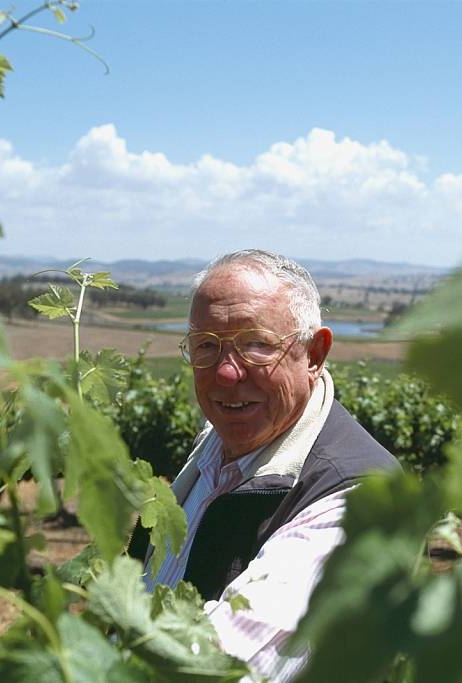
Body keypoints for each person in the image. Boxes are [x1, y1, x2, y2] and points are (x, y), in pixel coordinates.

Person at [127, 249, 400, 681]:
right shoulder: (218, 444)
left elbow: (222, 670)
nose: (227, 373)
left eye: (256, 345)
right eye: (206, 346)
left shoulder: (359, 498)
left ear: (314, 353)